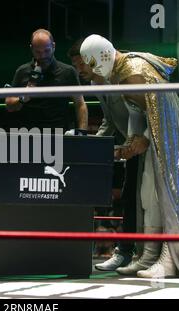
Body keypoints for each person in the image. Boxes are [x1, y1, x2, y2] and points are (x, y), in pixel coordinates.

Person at [80, 34, 179, 278]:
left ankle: (171, 258)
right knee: (147, 193)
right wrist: (132, 140)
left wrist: (143, 138)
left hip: (169, 131)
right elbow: (139, 110)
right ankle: (148, 256)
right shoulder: (119, 71)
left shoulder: (132, 70)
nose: (89, 71)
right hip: (154, 130)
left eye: (90, 64)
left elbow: (160, 109)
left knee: (165, 194)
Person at [67, 38, 147, 271]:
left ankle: (139, 254)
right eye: (76, 65)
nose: (79, 70)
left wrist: (136, 141)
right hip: (131, 147)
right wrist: (96, 146)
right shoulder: (96, 86)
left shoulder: (122, 77)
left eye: (82, 64)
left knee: (141, 200)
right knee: (129, 196)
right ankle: (126, 252)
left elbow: (141, 112)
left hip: (146, 143)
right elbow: (109, 120)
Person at [5, 29, 88, 131]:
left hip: (59, 136)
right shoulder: (22, 71)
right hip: (28, 136)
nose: (43, 55)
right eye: (38, 52)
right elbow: (9, 106)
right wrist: (23, 98)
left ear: (53, 46)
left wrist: (82, 133)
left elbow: (80, 104)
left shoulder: (68, 72)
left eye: (46, 50)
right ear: (31, 49)